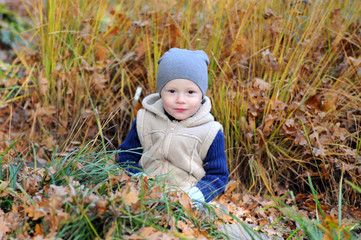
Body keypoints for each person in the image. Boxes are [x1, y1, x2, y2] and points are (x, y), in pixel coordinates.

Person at [116, 48, 229, 204]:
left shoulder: (210, 132)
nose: (180, 99)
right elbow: (126, 156)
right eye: (171, 91)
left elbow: (218, 175)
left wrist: (196, 197)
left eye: (190, 92)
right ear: (161, 92)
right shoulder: (145, 120)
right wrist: (136, 178)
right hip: (144, 195)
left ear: (202, 95)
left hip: (186, 201)